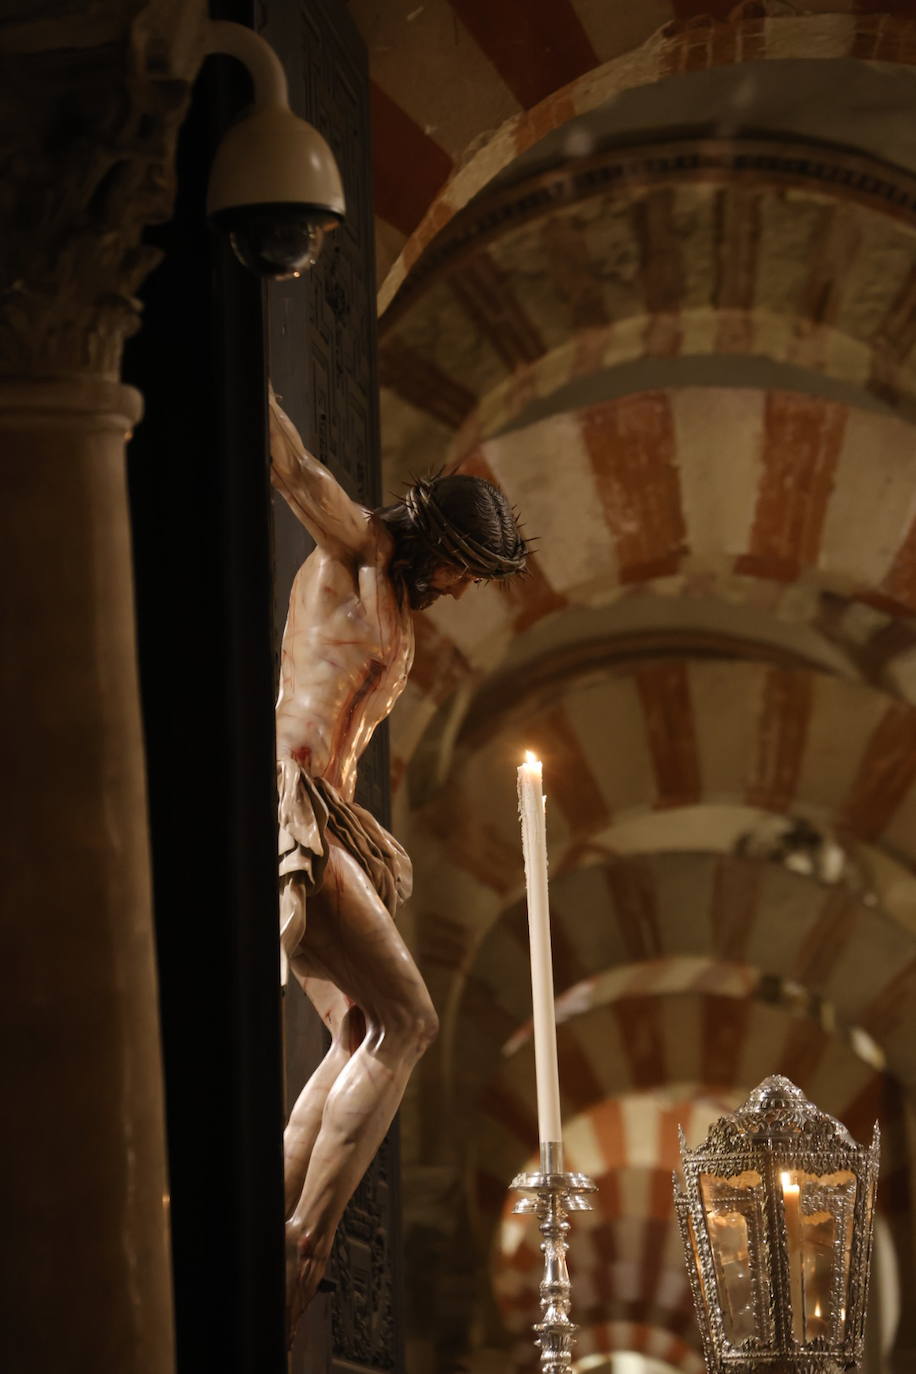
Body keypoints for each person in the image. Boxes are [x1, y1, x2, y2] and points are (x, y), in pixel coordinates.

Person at [268, 389, 527, 1340]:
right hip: (295, 809)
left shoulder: (400, 598)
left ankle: (277, 1215)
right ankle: (307, 1238)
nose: (460, 590)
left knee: (358, 1034)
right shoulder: (359, 548)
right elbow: (293, 466)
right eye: (464, 570)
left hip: (331, 813)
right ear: (438, 545)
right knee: (409, 1023)